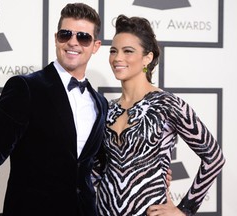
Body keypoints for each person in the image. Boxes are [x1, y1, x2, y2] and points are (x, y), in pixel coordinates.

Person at [0, 3, 108, 216]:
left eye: (83, 37)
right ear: (56, 38)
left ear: (95, 45)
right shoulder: (26, 88)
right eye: (66, 34)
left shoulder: (99, 103)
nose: (73, 42)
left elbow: (95, 163)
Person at [93, 14, 225, 216]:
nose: (117, 58)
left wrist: (185, 210)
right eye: (113, 51)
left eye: (128, 51)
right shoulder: (107, 108)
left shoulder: (167, 104)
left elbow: (214, 158)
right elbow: (98, 169)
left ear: (148, 57)